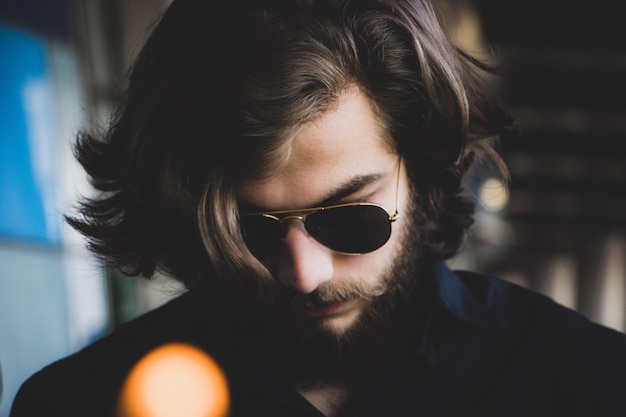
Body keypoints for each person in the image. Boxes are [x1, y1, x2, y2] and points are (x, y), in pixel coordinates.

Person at [10, 0, 626, 416]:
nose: (304, 274)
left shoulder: (584, 383)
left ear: (421, 169)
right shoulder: (76, 403)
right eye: (247, 230)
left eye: (348, 217)